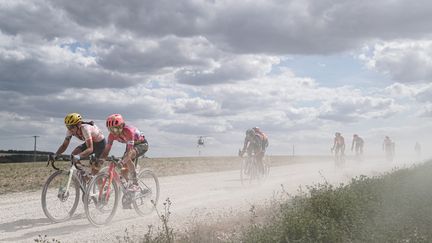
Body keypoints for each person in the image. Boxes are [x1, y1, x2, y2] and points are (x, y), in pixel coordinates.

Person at [100, 114, 148, 194]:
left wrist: (122, 162)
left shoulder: (128, 131)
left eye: (115, 129)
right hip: (130, 145)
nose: (113, 132)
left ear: (122, 126)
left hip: (141, 144)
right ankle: (130, 193)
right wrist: (100, 159)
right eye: (110, 129)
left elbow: (129, 153)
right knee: (123, 172)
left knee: (127, 158)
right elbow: (106, 150)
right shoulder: (111, 135)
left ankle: (135, 184)